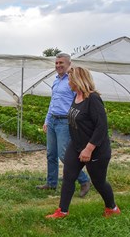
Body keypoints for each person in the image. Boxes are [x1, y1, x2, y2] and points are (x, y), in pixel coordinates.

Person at [46, 66, 121, 218]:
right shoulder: (76, 96)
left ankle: (112, 208)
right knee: (68, 176)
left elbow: (101, 127)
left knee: (99, 182)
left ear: (78, 80)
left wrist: (88, 149)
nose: (68, 82)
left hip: (95, 148)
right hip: (76, 145)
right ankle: (62, 211)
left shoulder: (92, 99)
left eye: (70, 79)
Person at [36, 53, 90, 198]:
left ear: (68, 64)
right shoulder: (55, 81)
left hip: (65, 122)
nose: (58, 65)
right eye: (56, 63)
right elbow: (52, 103)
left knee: (64, 155)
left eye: (61, 63)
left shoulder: (72, 81)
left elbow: (79, 102)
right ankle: (51, 183)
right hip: (53, 120)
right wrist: (47, 120)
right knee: (50, 154)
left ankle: (84, 181)